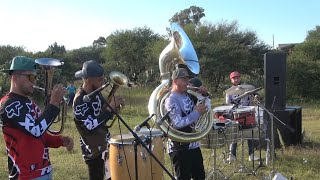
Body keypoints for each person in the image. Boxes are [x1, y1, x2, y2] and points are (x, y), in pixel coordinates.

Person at [0, 56, 74, 180]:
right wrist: (54, 103)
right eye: (30, 77)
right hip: (25, 175)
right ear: (15, 77)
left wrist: (59, 141)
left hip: (44, 171)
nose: (34, 81)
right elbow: (36, 130)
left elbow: (40, 135)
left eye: (35, 77)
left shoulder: (30, 103)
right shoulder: (9, 105)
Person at [73, 60, 124, 180]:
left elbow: (102, 117)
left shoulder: (96, 94)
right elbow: (89, 126)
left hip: (105, 145)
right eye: (100, 79)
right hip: (93, 151)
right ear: (89, 80)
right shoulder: (80, 99)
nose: (103, 82)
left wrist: (114, 108)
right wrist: (109, 110)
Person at [165, 67, 208, 180]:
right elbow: (177, 123)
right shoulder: (171, 99)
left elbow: (206, 108)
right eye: (183, 80)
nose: (187, 83)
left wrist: (204, 95)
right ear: (175, 81)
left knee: (200, 177)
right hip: (179, 147)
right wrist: (196, 113)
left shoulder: (189, 95)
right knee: (183, 177)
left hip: (193, 144)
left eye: (188, 80)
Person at [226, 71, 259, 162]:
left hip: (247, 114)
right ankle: (232, 155)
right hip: (236, 116)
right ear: (231, 80)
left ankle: (251, 155)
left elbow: (255, 94)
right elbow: (228, 105)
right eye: (234, 78)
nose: (236, 79)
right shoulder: (229, 92)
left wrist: (256, 96)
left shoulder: (247, 88)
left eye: (237, 77)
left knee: (250, 134)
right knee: (234, 135)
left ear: (240, 78)